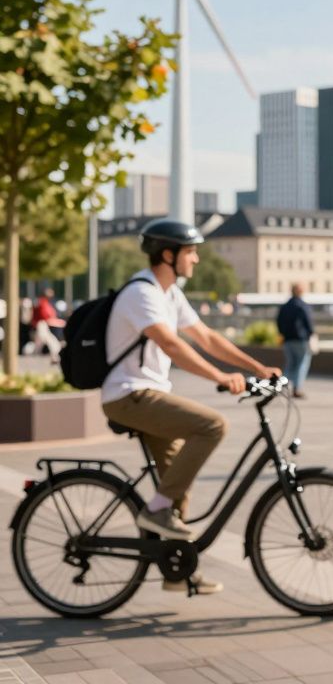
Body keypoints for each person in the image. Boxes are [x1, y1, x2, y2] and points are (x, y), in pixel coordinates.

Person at [100, 219, 280, 594]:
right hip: (129, 395)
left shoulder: (169, 294)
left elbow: (206, 337)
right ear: (168, 255)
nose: (196, 259)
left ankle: (176, 570)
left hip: (147, 394)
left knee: (177, 484)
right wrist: (220, 377)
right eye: (190, 252)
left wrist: (256, 368)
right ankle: (155, 511)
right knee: (212, 425)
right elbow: (172, 345)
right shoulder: (142, 293)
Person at [276, 283, 314, 399]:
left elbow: (278, 321)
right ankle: (297, 388)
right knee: (302, 363)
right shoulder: (302, 305)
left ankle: (281, 386)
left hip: (287, 339)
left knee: (290, 364)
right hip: (300, 339)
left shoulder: (285, 306)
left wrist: (283, 333)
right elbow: (308, 322)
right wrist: (310, 334)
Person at [31, 288, 63, 363]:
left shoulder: (44, 302)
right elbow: (45, 317)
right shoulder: (42, 303)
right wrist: (58, 322)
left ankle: (54, 357)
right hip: (41, 325)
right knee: (51, 341)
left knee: (39, 344)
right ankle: (55, 357)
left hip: (41, 325)